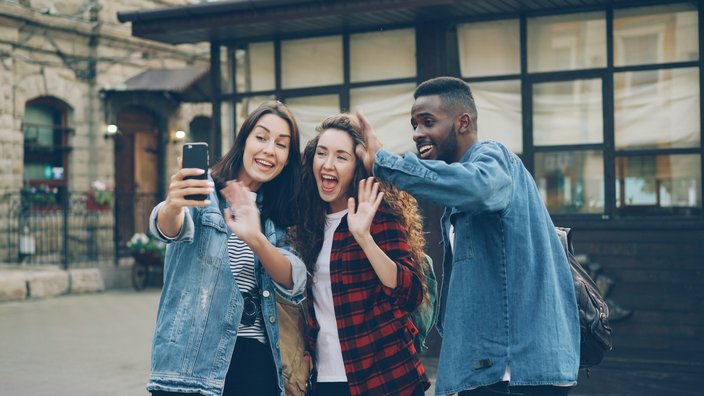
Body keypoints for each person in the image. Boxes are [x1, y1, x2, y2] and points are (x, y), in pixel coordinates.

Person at [356, 77, 580, 396]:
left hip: (515, 370)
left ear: (463, 122)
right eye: (414, 125)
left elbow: (479, 187)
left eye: (428, 122)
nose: (418, 134)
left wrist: (385, 163)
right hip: (493, 369)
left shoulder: (493, 158)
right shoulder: (458, 193)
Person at [146, 100, 307, 396]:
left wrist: (257, 238)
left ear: (287, 158)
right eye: (261, 137)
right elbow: (168, 227)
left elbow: (293, 281)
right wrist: (173, 205)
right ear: (244, 141)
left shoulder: (280, 215)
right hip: (189, 366)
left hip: (255, 364)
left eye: (281, 145)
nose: (269, 150)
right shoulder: (204, 191)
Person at [294, 114, 431, 396]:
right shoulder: (308, 224)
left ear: (357, 166)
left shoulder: (376, 213)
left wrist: (364, 238)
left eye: (341, 157)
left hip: (385, 378)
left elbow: (412, 292)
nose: (328, 164)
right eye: (322, 153)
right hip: (325, 380)